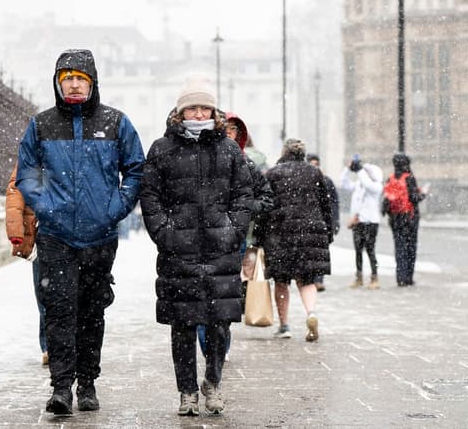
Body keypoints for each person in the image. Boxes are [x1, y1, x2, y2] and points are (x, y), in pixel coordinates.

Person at [15, 49, 145, 415]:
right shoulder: (41, 125)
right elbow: (27, 172)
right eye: (67, 78)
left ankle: (87, 382)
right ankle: (61, 387)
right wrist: (45, 206)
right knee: (59, 310)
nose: (73, 84)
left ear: (92, 83)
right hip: (56, 236)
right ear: (57, 83)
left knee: (91, 310)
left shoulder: (116, 123)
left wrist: (115, 209)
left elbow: (135, 170)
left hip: (99, 236)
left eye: (80, 79)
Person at [140, 74, 253, 416]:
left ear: (214, 111)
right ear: (180, 112)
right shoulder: (162, 149)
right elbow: (150, 195)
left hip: (220, 250)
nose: (200, 113)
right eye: (192, 108)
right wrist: (166, 233)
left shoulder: (229, 149)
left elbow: (244, 195)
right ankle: (187, 391)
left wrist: (233, 230)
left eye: (205, 107)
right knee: (183, 326)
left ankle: (213, 382)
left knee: (220, 323)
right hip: (180, 252)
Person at [196, 112, 275, 363]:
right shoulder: (199, 158)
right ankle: (208, 345)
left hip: (234, 239)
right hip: (198, 237)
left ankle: (220, 344)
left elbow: (266, 199)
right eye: (226, 128)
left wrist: (243, 210)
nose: (230, 133)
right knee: (200, 293)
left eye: (235, 130)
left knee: (224, 293)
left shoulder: (245, 163)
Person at [257, 138, 333, 342]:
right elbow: (326, 205)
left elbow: (265, 207)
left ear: (284, 152)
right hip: (310, 232)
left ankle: (284, 326)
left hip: (279, 233)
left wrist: (259, 235)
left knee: (281, 281)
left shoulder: (273, 174)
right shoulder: (315, 173)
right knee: (307, 279)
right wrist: (328, 232)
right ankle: (311, 314)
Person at [6, 164, 48, 366]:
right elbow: (15, 193)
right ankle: (49, 345)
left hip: (59, 232)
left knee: (50, 292)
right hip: (40, 235)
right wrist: (16, 232)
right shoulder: (31, 153)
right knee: (44, 292)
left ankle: (55, 344)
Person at [339, 155, 383, 289]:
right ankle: (359, 277)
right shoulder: (359, 185)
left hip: (371, 222)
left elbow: (368, 184)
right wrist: (348, 169)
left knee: (370, 250)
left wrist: (360, 170)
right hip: (358, 221)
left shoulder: (376, 186)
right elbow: (343, 184)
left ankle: (374, 277)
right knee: (358, 250)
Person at [383, 153, 426, 287]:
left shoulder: (390, 178)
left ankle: (400, 277)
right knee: (410, 248)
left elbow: (386, 201)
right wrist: (423, 193)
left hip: (396, 218)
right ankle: (408, 277)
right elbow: (414, 198)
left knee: (399, 248)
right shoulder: (409, 178)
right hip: (409, 218)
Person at [306, 153, 339, 292]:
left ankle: (318, 279)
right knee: (309, 251)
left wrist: (335, 220)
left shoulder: (327, 181)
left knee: (320, 252)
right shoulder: (304, 181)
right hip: (308, 221)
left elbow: (334, 203)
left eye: (316, 164)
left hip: (322, 221)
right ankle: (311, 278)